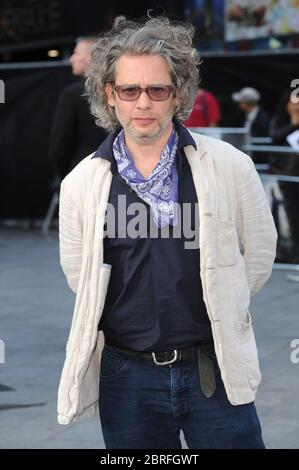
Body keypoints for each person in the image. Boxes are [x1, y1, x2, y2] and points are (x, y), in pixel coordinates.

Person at [57, 16, 277, 449]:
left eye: (157, 89)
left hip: (213, 369)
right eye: (130, 90)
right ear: (110, 95)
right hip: (126, 377)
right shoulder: (82, 183)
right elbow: (78, 275)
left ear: (177, 94)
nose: (144, 102)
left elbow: (257, 256)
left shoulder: (229, 165)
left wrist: (223, 298)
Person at [48, 36, 106, 179]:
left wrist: (66, 177)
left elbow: (58, 147)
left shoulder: (71, 94)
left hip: (81, 176)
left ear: (91, 57)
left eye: (76, 53)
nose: (71, 59)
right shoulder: (120, 91)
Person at [269, 90, 299, 263]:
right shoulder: (280, 121)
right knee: (292, 217)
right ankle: (295, 256)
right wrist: (294, 124)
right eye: (293, 102)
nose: (296, 106)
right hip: (287, 179)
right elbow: (275, 137)